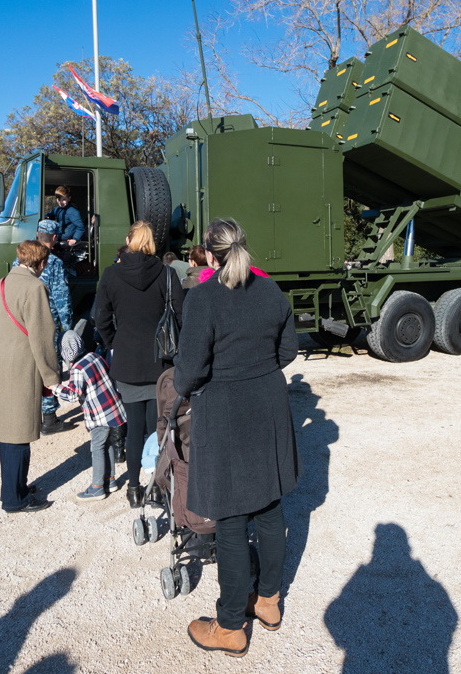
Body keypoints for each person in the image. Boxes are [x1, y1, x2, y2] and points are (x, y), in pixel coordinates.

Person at [174, 218, 299, 657]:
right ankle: (268, 601)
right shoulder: (270, 290)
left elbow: (188, 370)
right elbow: (288, 351)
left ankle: (230, 626)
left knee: (230, 518)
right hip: (267, 404)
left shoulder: (203, 298)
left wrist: (194, 388)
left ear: (209, 254)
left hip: (225, 408)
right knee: (267, 506)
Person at [93, 220, 184, 508]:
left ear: (129, 240)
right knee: (159, 428)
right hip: (160, 361)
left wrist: (114, 343)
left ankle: (133, 488)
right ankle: (157, 485)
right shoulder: (167, 274)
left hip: (128, 360)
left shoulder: (111, 274)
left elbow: (101, 319)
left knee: (133, 430)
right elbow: (180, 317)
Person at [0, 240, 60, 514]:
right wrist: (51, 376)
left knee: (9, 431)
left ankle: (14, 487)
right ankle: (14, 499)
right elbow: (42, 337)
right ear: (41, 263)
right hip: (21, 362)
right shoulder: (35, 287)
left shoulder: (2, 283)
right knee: (18, 433)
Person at [57, 330, 126, 501]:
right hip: (113, 409)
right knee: (107, 444)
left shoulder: (77, 369)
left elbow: (73, 395)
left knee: (96, 447)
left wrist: (56, 388)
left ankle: (96, 487)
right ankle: (110, 481)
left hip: (99, 415)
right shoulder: (94, 357)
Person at [35, 220, 73, 435]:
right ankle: (49, 419)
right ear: (55, 238)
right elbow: (61, 299)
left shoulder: (19, 260)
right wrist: (67, 328)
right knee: (51, 369)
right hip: (49, 326)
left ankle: (34, 413)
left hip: (28, 325)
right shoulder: (54, 262)